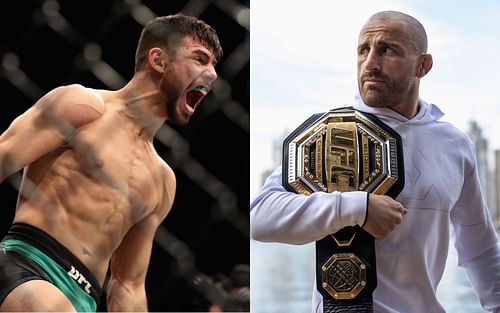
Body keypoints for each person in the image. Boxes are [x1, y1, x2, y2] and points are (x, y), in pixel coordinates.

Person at [250, 10, 500, 313]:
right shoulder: (330, 135)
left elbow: (481, 248)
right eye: (363, 50)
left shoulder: (455, 145)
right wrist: (356, 208)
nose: (370, 63)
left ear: (423, 65)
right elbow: (260, 216)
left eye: (387, 50)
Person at [0, 13, 222, 312]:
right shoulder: (83, 108)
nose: (212, 75)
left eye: (213, 66)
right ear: (158, 60)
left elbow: (127, 285)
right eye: (200, 59)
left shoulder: (161, 180)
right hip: (27, 266)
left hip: (86, 299)